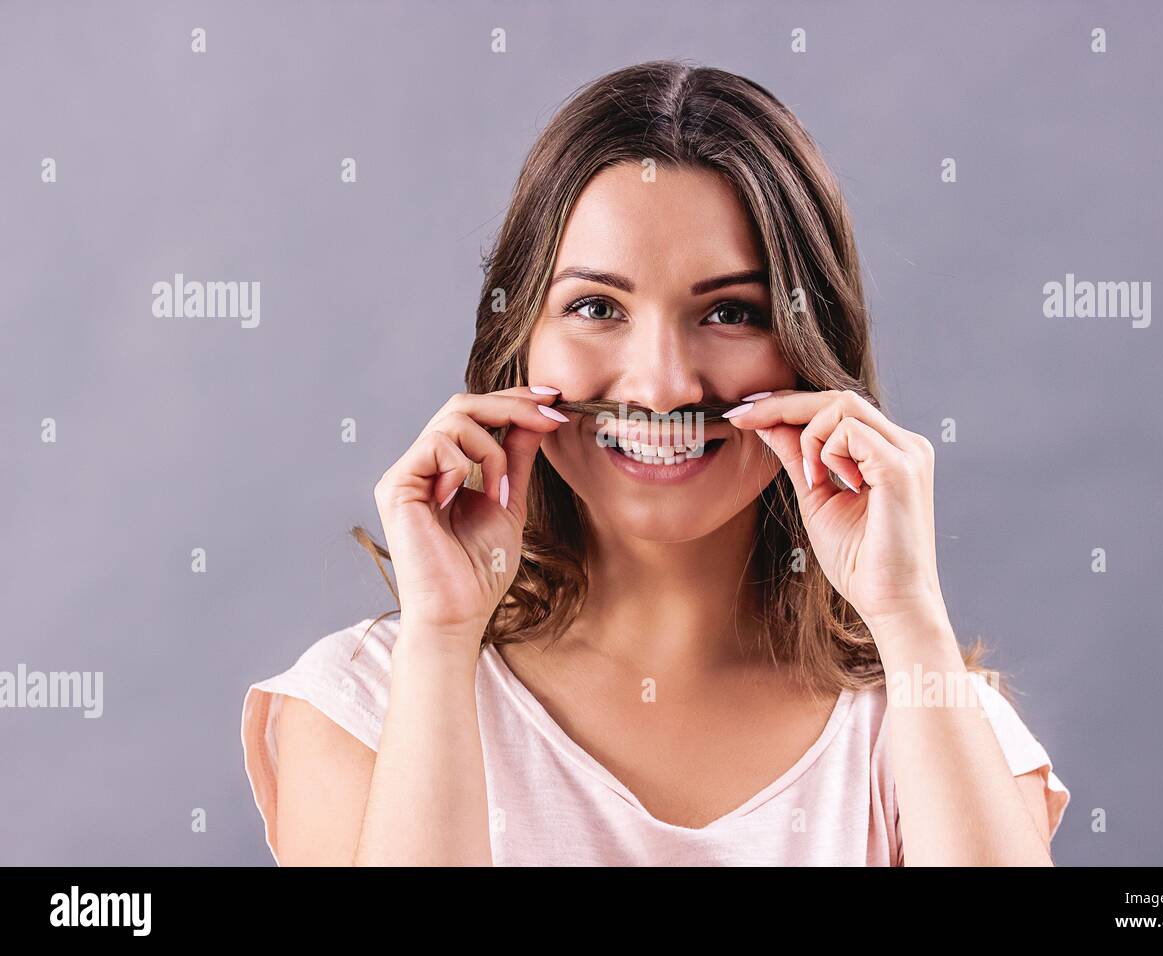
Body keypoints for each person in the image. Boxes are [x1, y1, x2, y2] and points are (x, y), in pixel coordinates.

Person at [241, 59, 1069, 866]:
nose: (664, 387)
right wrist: (444, 639)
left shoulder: (938, 724)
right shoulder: (364, 704)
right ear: (519, 343)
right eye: (597, 307)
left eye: (731, 312)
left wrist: (908, 614)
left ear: (813, 355)